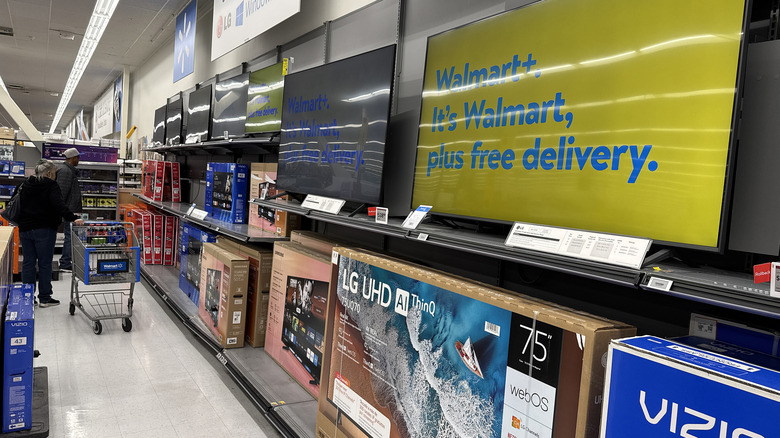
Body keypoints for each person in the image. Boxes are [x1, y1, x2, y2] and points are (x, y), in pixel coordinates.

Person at [15, 160, 84, 307]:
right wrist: (73, 218)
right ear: (48, 173)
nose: (55, 175)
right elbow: (59, 205)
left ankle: (28, 297)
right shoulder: (50, 185)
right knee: (45, 263)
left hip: (25, 230)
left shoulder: (24, 184)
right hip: (44, 230)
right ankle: (45, 298)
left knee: (28, 263)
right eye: (54, 173)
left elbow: (14, 203)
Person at [55, 147, 83, 271]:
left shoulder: (68, 170)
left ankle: (67, 261)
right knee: (70, 236)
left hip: (71, 209)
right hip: (70, 211)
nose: (79, 160)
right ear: (73, 158)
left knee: (71, 236)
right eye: (78, 157)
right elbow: (62, 193)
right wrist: (64, 212)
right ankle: (65, 263)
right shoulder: (65, 171)